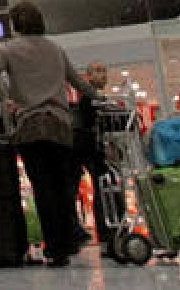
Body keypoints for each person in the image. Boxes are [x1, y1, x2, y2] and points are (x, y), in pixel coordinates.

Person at [0, 0, 97, 268]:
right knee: (62, 186)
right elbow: (78, 82)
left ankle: (55, 247)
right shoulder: (55, 48)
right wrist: (101, 97)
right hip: (59, 125)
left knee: (42, 187)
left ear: (16, 24)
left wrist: (5, 98)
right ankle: (68, 240)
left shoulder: (8, 49)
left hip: (30, 125)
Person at [70, 61, 110, 255]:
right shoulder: (89, 99)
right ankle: (104, 233)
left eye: (104, 71)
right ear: (88, 76)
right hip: (89, 150)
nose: (102, 75)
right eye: (97, 71)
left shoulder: (96, 98)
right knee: (101, 189)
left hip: (86, 150)